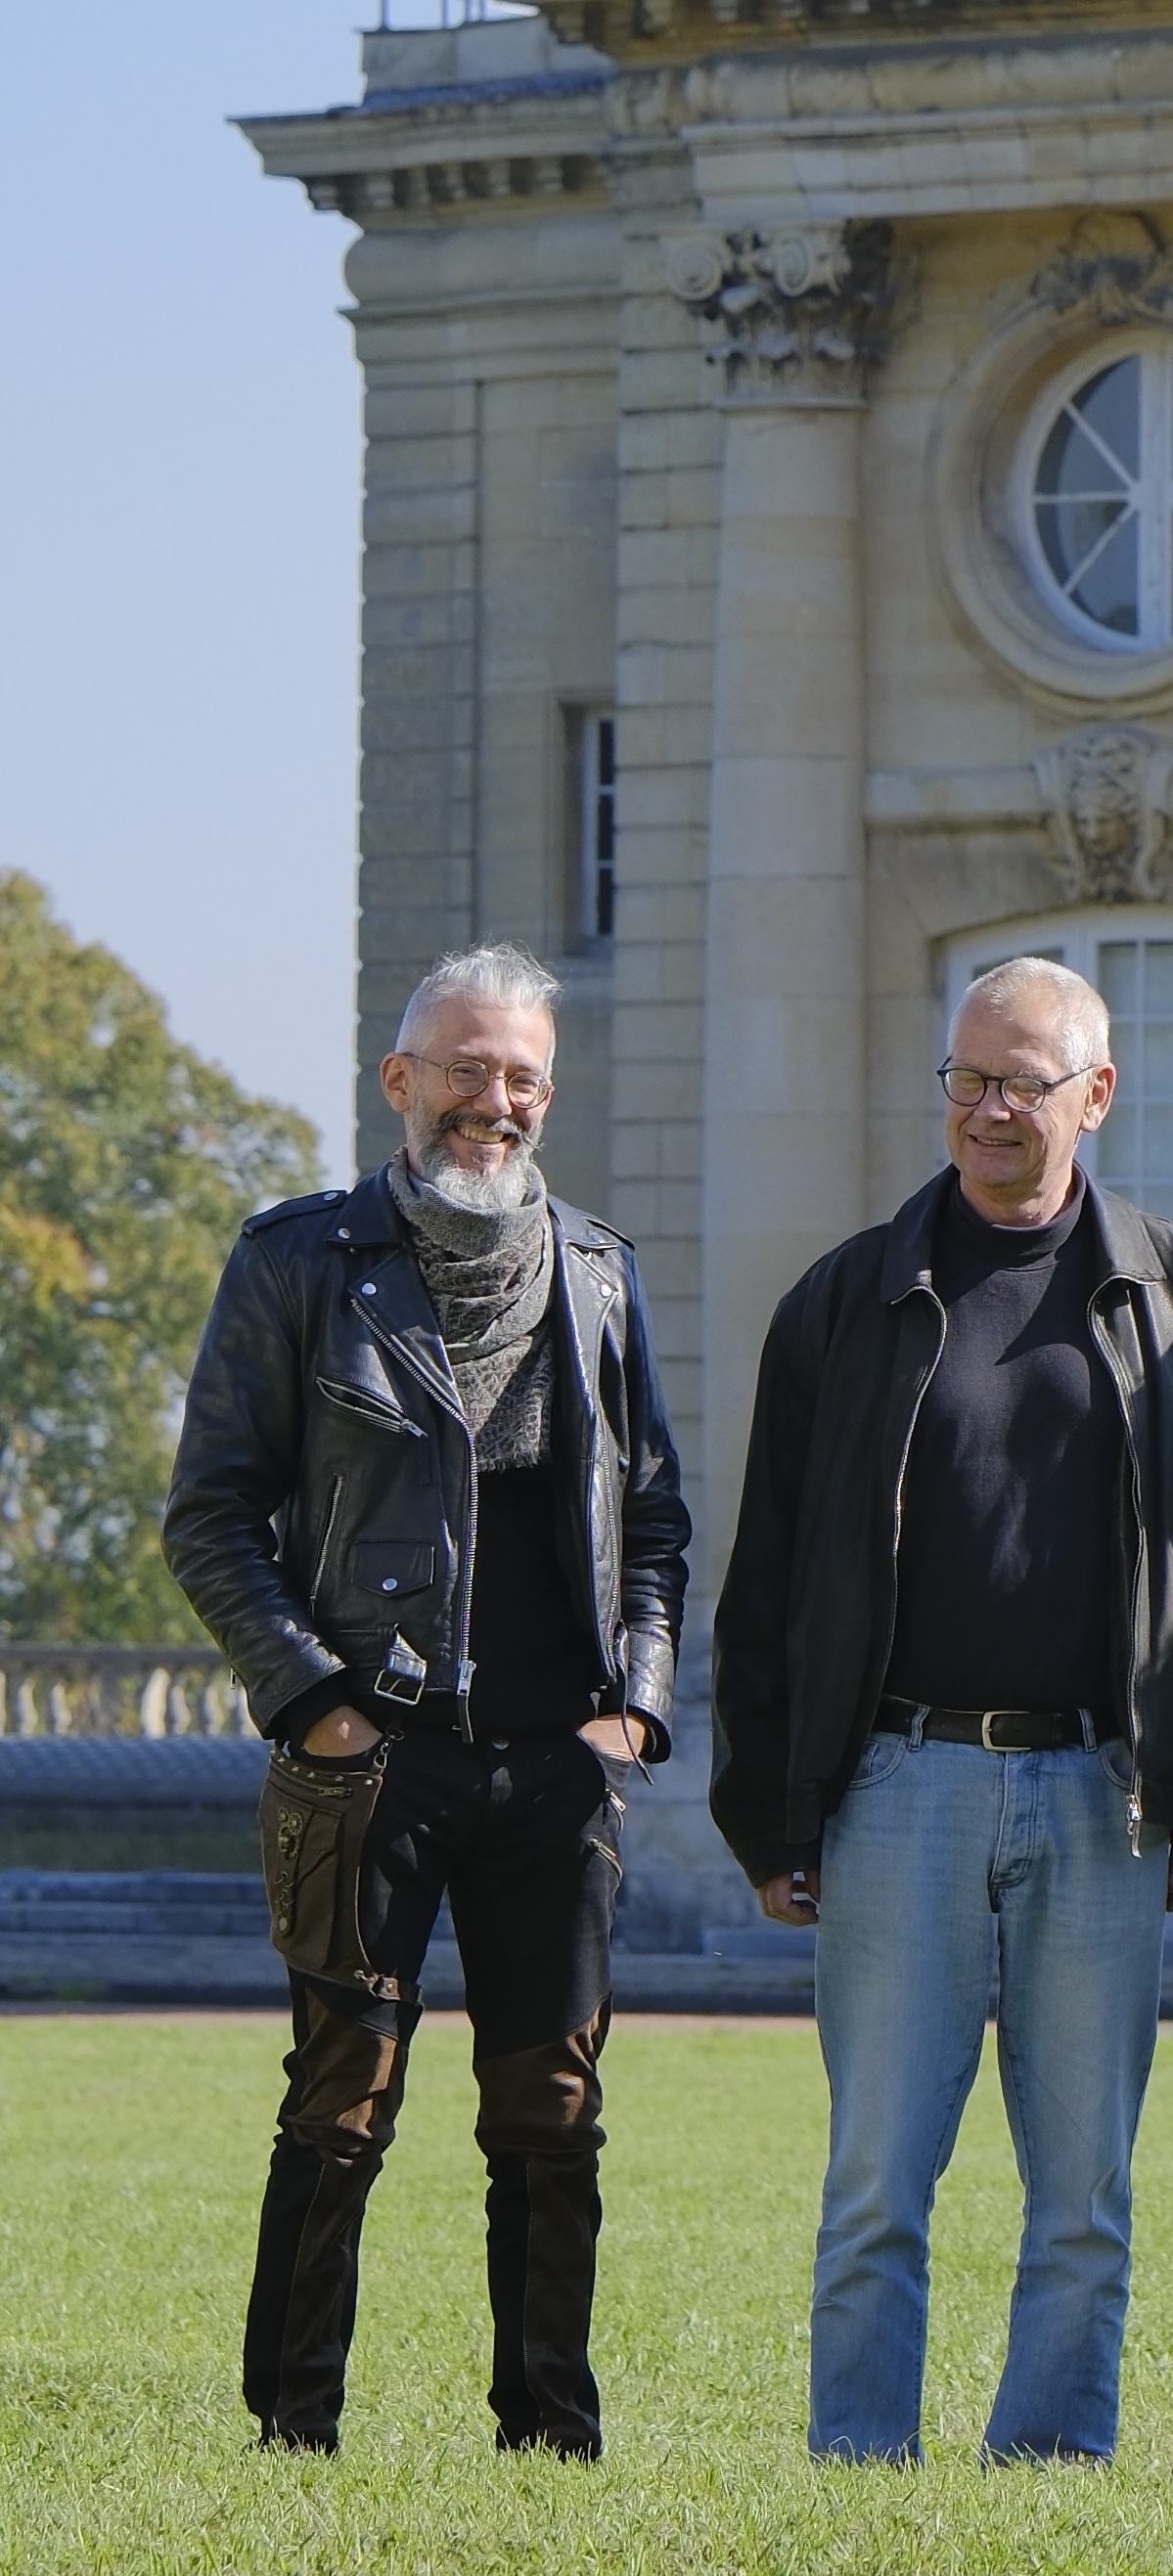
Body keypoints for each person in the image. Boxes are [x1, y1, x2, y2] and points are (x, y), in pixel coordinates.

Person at [710, 955, 1173, 2465]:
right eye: (966, 1079)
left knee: (1083, 2192)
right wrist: (769, 1808)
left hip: (1102, 1792)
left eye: (1024, 1082)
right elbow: (766, 1574)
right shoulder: (843, 1299)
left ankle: (1050, 2469)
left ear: (1097, 1094)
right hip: (898, 1782)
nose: (988, 1110)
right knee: (875, 2183)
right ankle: (861, 2470)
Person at [162, 942, 688, 2459]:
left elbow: (653, 1520)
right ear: (400, 1079)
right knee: (339, 2101)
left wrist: (636, 1710)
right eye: (467, 1068)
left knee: (552, 2111)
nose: (494, 1099)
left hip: (556, 1768)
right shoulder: (297, 1261)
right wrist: (316, 1701)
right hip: (366, 1758)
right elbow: (212, 1516)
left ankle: (550, 2436)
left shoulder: (599, 1270)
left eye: (522, 1075)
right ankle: (293, 2429)